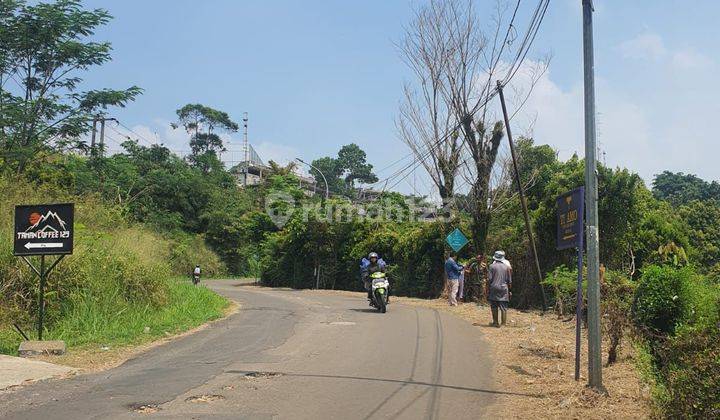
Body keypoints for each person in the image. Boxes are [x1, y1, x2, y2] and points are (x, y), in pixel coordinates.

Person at [487, 251, 512, 327]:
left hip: (494, 287)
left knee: (494, 306)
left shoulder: (491, 266)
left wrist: (487, 289)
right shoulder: (507, 267)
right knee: (503, 307)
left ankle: (495, 322)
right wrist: (510, 290)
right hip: (504, 288)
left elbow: (489, 279)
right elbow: (509, 281)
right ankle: (503, 324)